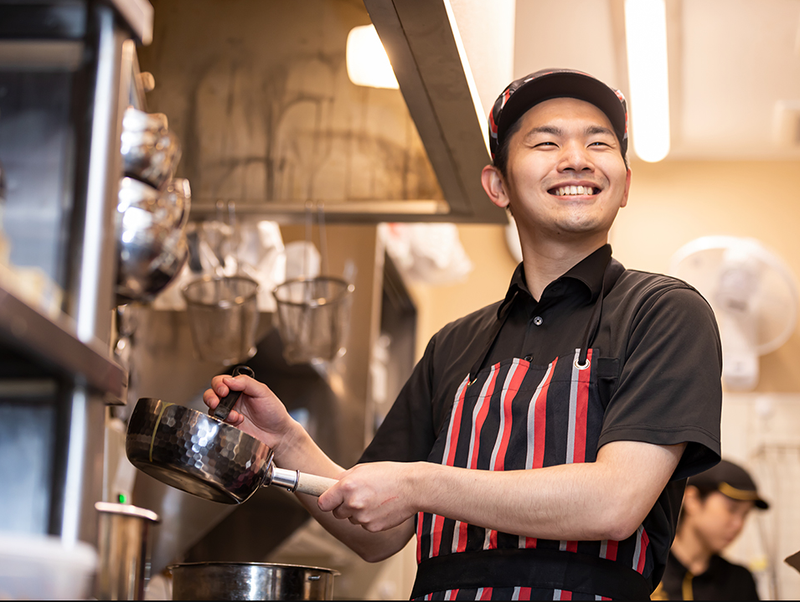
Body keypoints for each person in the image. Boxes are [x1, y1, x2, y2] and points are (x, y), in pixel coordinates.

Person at [204, 68, 724, 600]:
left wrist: (420, 483)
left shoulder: (663, 313)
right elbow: (377, 534)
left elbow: (615, 503)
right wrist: (287, 444)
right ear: (498, 185)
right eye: (546, 142)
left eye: (599, 144)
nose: (577, 158)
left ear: (625, 184)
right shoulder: (453, 345)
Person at [655, 459, 769, 600]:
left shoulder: (739, 581)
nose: (738, 524)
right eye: (731, 509)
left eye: (745, 514)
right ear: (692, 500)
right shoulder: (649, 568)